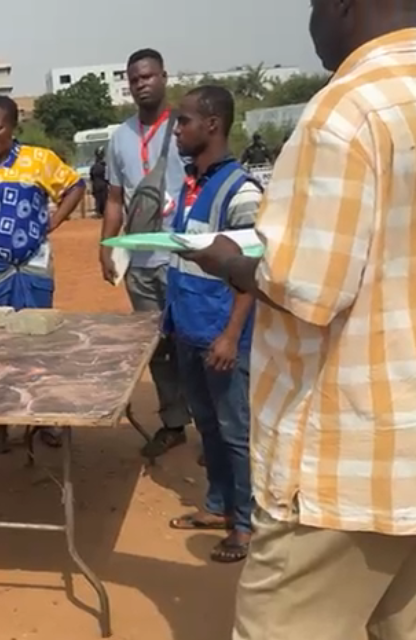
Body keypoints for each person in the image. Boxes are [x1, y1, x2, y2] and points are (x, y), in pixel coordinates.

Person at [185, 2, 416, 638]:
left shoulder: (344, 111)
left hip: (348, 461)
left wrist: (229, 262)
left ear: (342, 5)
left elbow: (307, 287)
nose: (312, 21)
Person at [0, 95, 86, 452]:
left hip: (33, 268)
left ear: (13, 127)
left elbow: (75, 186)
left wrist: (55, 220)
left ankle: (45, 418)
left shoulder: (39, 160)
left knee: (38, 342)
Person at [163, 85, 262, 563]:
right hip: (189, 327)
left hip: (223, 336)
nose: (176, 130)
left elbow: (252, 270)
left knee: (234, 431)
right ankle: (219, 505)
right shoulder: (189, 185)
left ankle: (245, 524)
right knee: (208, 425)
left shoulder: (242, 191)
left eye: (183, 121)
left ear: (213, 125)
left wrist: (230, 334)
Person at [99, 48, 192, 459]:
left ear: (164, 77)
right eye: (134, 79)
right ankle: (174, 423)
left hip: (183, 257)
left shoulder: (184, 126)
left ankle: (214, 430)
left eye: (148, 76)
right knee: (157, 346)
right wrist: (107, 246)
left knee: (196, 341)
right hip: (139, 260)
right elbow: (114, 198)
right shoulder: (120, 137)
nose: (141, 84)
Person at [89, 147, 109, 218]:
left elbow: (91, 177)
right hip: (102, 184)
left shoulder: (94, 166)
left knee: (99, 199)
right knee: (102, 198)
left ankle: (99, 212)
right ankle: (101, 212)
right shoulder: (104, 166)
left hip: (97, 184)